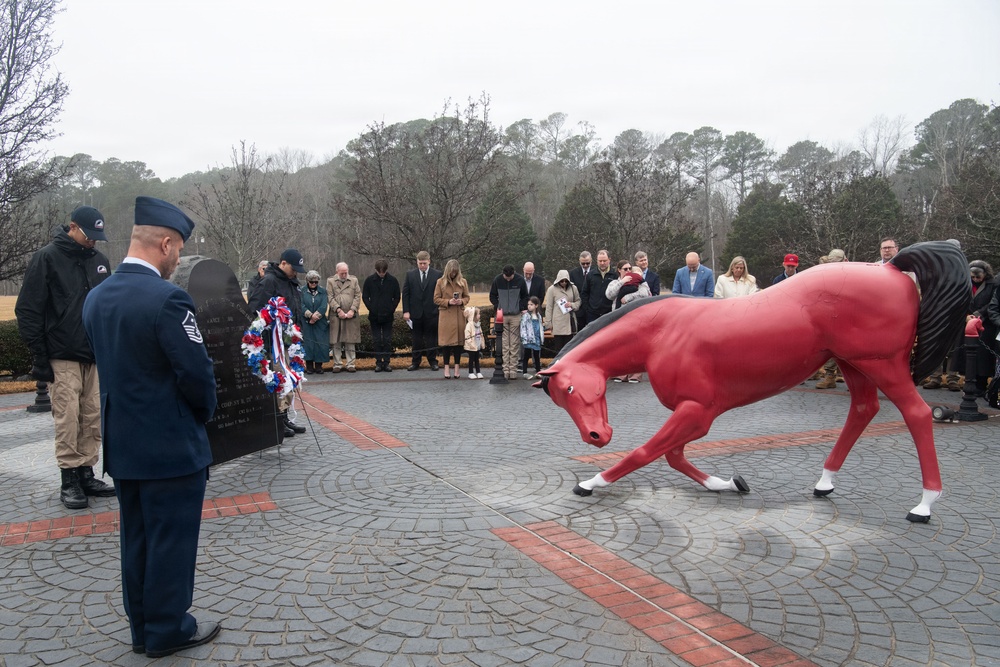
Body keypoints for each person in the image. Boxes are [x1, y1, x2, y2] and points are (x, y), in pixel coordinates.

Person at [82, 196, 221, 658]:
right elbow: (197, 375)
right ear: (165, 244)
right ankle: (167, 630)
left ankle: (142, 628)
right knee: (171, 542)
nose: (178, 258)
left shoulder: (97, 297)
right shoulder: (168, 299)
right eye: (178, 249)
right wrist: (202, 417)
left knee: (137, 539)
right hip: (171, 445)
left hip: (124, 445)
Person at [15, 205, 116, 509]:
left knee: (92, 416)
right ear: (73, 227)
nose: (94, 241)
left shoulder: (100, 261)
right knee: (68, 418)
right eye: (90, 235)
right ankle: (69, 479)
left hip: (94, 354)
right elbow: (28, 309)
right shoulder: (46, 258)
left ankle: (86, 471)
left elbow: (106, 307)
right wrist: (39, 356)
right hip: (62, 353)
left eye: (98, 235)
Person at [247, 248, 307, 437]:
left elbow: (295, 308)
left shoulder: (291, 282)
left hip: (289, 340)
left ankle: (285, 416)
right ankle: (277, 419)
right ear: (283, 263)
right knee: (279, 379)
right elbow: (255, 308)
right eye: (294, 267)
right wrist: (274, 319)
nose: (296, 272)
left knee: (290, 378)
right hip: (274, 342)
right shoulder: (270, 281)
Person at [946, 260, 997, 395]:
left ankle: (981, 384)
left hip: (986, 324)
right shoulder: (965, 284)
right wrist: (967, 315)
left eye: (978, 277)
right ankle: (970, 382)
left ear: (985, 274)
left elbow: (993, 303)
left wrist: (978, 314)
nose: (975, 279)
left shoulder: (993, 285)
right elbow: (960, 301)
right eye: (973, 277)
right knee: (967, 355)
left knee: (983, 356)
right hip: (968, 322)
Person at [606, 260, 651, 383]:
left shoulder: (639, 280)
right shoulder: (615, 282)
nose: (628, 271)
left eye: (630, 268)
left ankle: (635, 374)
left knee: (636, 344)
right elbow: (609, 295)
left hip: (637, 316)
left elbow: (645, 293)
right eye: (625, 269)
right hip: (620, 316)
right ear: (619, 270)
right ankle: (621, 372)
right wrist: (621, 283)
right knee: (621, 345)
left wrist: (628, 297)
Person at [402, 251, 443, 371]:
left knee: (431, 339)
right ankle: (415, 362)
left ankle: (432, 361)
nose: (422, 266)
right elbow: (406, 294)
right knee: (416, 340)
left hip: (432, 312)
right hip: (415, 313)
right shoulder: (410, 275)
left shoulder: (437, 274)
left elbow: (440, 293)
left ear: (429, 261)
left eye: (424, 263)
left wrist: (438, 309)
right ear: (417, 262)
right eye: (420, 263)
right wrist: (406, 311)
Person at [815, 249, 848, 389]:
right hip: (832, 316)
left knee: (848, 348)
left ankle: (851, 378)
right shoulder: (829, 274)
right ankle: (830, 376)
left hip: (847, 316)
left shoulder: (851, 274)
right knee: (830, 346)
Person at [489, 264, 528, 380]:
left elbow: (525, 296)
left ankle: (513, 370)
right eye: (506, 277)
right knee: (505, 344)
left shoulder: (520, 280)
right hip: (502, 316)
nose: (508, 279)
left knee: (514, 344)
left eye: (510, 277)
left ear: (513, 274)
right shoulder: (497, 280)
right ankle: (505, 370)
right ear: (503, 274)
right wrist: (498, 306)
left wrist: (519, 308)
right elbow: (492, 296)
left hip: (516, 315)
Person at [434, 259, 471, 379]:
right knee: (446, 344)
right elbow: (436, 299)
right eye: (452, 272)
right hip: (446, 316)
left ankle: (456, 368)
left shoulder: (463, 282)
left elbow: (467, 297)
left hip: (459, 316)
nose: (453, 275)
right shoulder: (440, 282)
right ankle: (446, 368)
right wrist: (448, 302)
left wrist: (461, 301)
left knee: (458, 344)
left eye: (455, 272)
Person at [362, 259, 401, 373]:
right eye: (380, 273)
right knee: (377, 339)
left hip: (388, 315)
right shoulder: (369, 280)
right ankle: (378, 362)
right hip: (374, 316)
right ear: (376, 271)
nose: (382, 274)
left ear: (386, 271)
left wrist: (391, 308)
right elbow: (365, 297)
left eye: (383, 272)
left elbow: (397, 297)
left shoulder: (393, 281)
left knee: (387, 340)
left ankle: (387, 362)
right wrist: (371, 308)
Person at [327, 263, 362, 373]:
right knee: (336, 339)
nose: (344, 275)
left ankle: (350, 363)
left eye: (346, 272)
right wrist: (338, 309)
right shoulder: (331, 281)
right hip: (336, 315)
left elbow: (357, 295)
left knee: (350, 339)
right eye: (342, 273)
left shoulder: (353, 281)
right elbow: (329, 297)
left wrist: (353, 309)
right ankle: (337, 363)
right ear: (337, 272)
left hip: (351, 315)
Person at [543, 269, 581, 357]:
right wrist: (548, 323)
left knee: (569, 349)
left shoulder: (573, 288)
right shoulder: (551, 289)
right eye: (562, 281)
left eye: (566, 281)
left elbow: (578, 302)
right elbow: (549, 307)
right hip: (558, 322)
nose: (564, 283)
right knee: (559, 349)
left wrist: (571, 305)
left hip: (570, 322)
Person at [299, 271, 328, 374]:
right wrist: (310, 315)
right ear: (307, 281)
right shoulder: (301, 291)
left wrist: (316, 316)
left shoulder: (323, 291)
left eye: (316, 282)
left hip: (320, 322)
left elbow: (324, 305)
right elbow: (301, 305)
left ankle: (319, 366)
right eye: (312, 282)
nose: (314, 284)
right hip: (306, 321)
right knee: (308, 343)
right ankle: (309, 366)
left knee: (320, 342)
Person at [581, 249, 617, 324]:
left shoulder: (615, 275)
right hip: (593, 314)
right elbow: (584, 293)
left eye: (604, 261)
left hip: (610, 313)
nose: (602, 263)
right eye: (600, 261)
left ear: (609, 260)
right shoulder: (591, 275)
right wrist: (588, 309)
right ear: (597, 261)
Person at [520, 296, 544, 379]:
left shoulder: (538, 316)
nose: (529, 306)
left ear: (536, 305)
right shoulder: (526, 316)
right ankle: (525, 372)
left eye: (531, 304)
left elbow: (540, 327)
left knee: (537, 355)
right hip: (528, 339)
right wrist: (524, 338)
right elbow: (523, 327)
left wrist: (541, 337)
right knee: (526, 355)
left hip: (536, 339)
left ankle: (538, 371)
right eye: (528, 304)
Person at [568, 251, 593, 329]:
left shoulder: (595, 272)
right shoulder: (573, 273)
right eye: (583, 263)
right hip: (579, 309)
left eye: (587, 263)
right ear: (579, 262)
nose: (585, 265)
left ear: (591, 260)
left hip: (592, 308)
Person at [463, 306, 486, 379]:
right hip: (471, 346)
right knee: (471, 359)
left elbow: (481, 335)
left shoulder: (478, 324)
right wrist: (470, 344)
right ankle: (471, 372)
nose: (480, 315)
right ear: (473, 316)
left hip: (477, 345)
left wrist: (482, 343)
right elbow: (467, 335)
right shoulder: (469, 325)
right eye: (478, 314)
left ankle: (478, 372)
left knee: (477, 359)